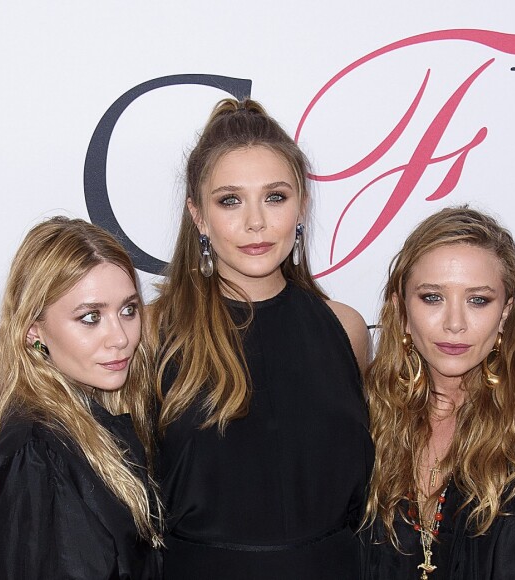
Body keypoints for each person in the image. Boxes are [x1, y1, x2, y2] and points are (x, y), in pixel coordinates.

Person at [151, 98, 373, 579]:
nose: (256, 222)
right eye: (230, 200)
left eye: (275, 197)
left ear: (302, 206)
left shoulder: (346, 329)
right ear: (198, 216)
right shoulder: (152, 332)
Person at [364, 206, 515, 579]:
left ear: (505, 312)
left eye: (478, 300)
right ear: (401, 308)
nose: (455, 323)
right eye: (432, 297)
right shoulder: (373, 408)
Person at [0, 217, 163, 579]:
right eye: (90, 317)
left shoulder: (94, 418)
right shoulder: (37, 452)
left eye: (128, 310)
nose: (120, 337)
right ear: (33, 331)